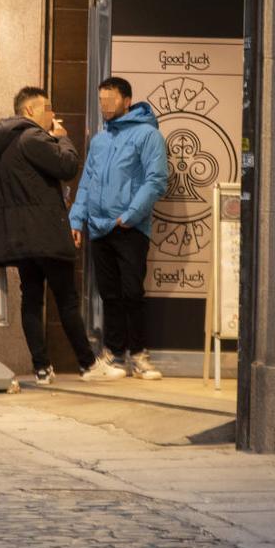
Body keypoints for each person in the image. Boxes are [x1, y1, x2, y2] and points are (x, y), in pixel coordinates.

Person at [0, 86, 128, 384]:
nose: (52, 113)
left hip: (19, 237)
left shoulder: (2, 143)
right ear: (29, 111)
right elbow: (67, 167)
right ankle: (88, 365)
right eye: (48, 107)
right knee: (67, 300)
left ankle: (42, 368)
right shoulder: (33, 136)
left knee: (32, 299)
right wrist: (61, 137)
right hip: (46, 233)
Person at [69, 76, 168, 380]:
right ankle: (114, 355)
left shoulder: (147, 135)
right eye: (101, 100)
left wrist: (131, 215)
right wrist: (77, 218)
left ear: (127, 101)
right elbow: (87, 180)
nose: (105, 106)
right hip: (98, 227)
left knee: (131, 292)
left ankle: (138, 355)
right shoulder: (99, 140)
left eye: (111, 99)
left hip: (130, 227)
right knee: (109, 294)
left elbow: (156, 180)